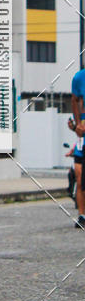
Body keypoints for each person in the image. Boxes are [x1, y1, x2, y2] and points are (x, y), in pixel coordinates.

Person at [69, 67, 85, 228]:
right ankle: (82, 215)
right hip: (83, 137)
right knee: (80, 176)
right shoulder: (79, 78)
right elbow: (74, 100)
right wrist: (78, 124)